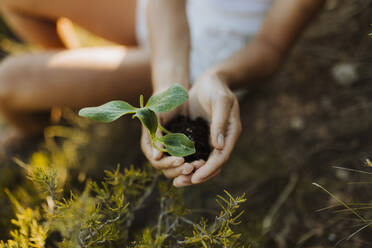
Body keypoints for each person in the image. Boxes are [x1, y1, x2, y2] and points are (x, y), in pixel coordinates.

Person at [0, 0, 325, 187]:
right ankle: (71, 91)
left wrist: (216, 76)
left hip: (212, 54)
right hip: (163, 21)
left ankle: (36, 124)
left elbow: (270, 46)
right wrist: (168, 89)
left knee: (6, 82)